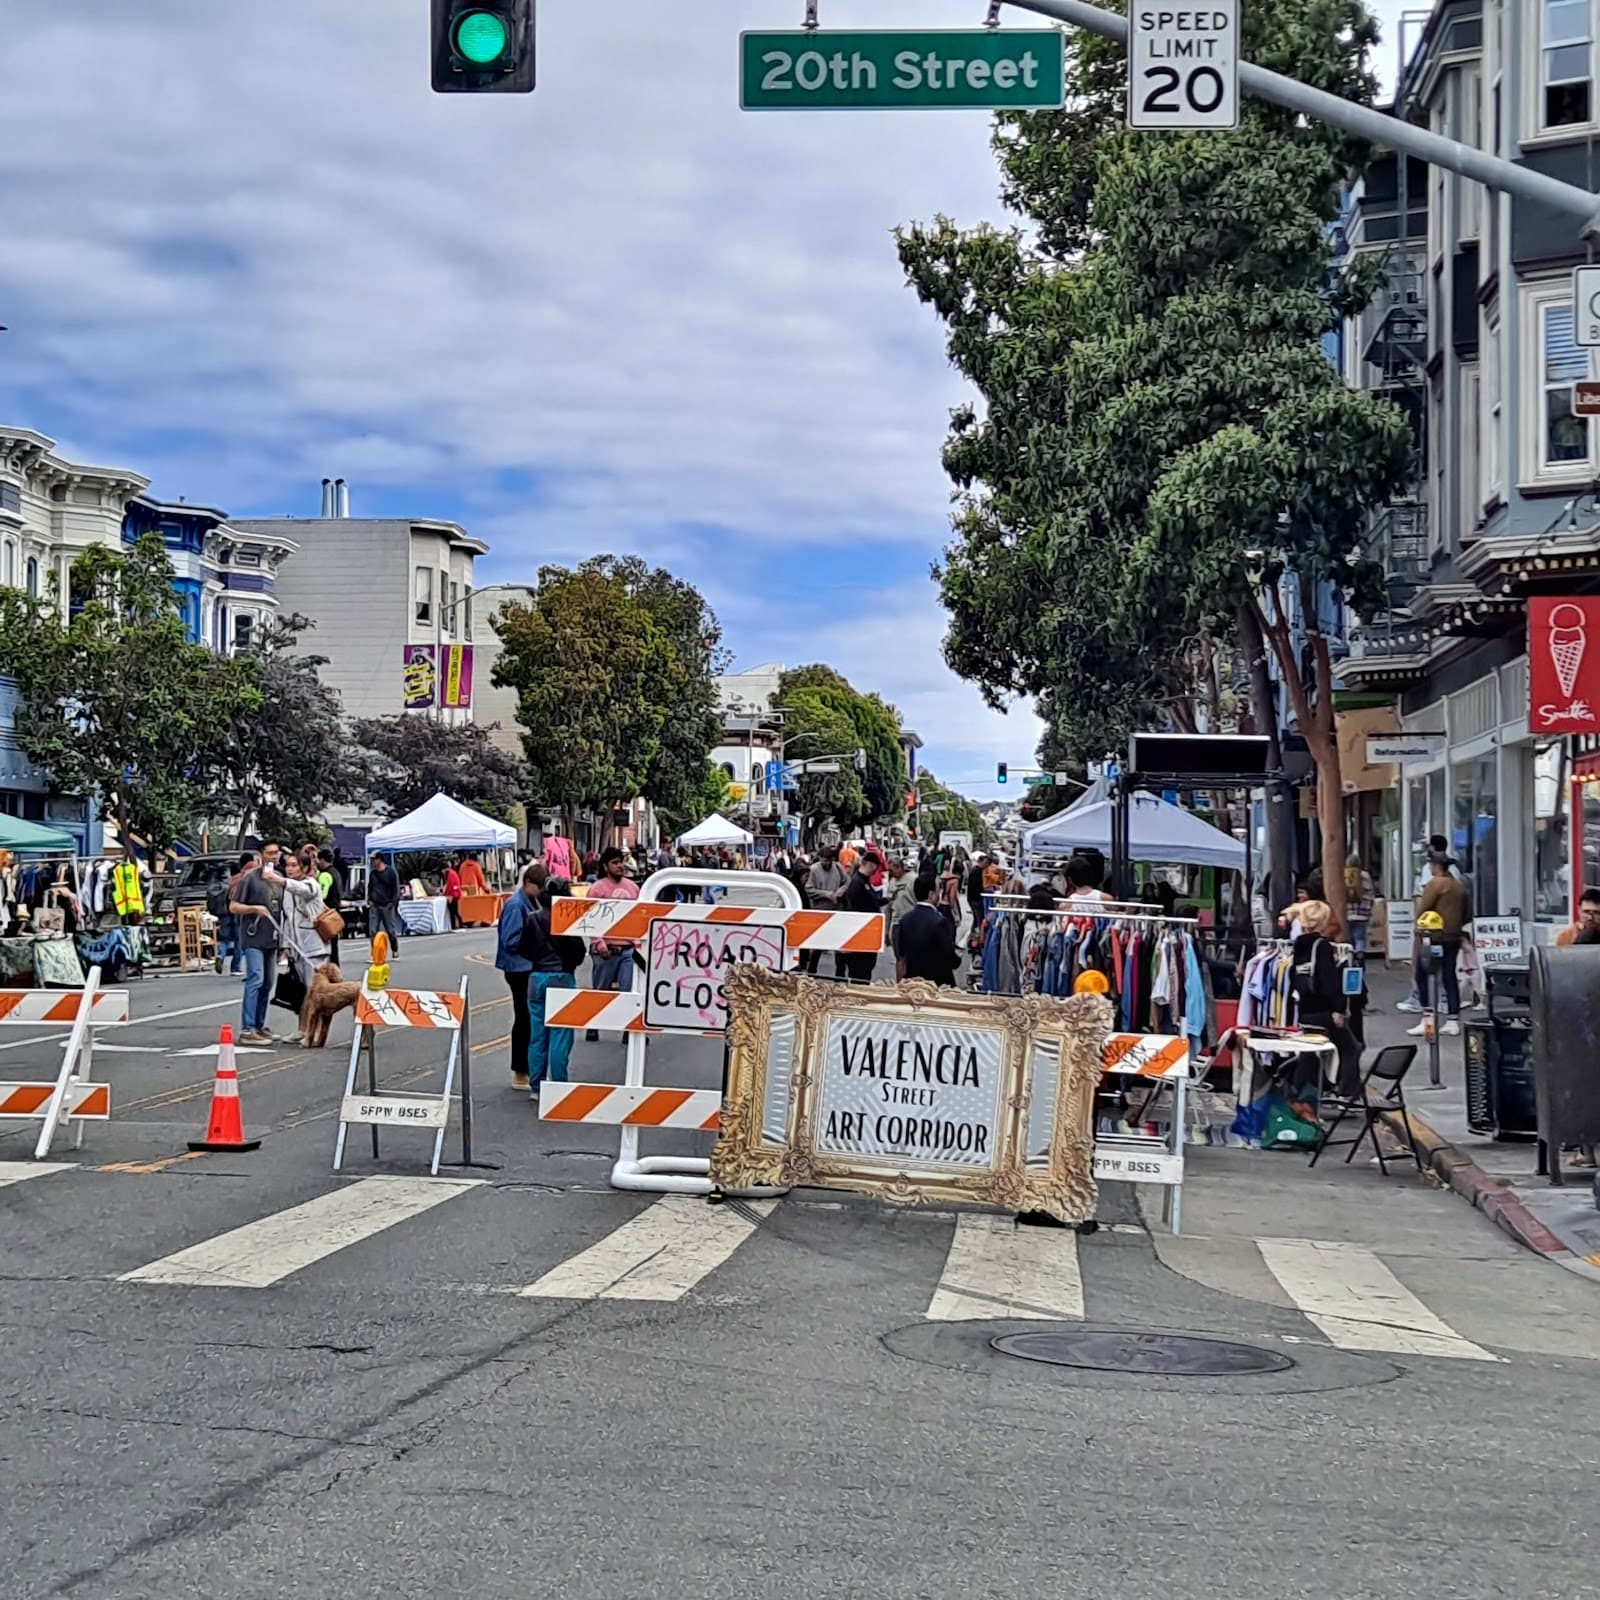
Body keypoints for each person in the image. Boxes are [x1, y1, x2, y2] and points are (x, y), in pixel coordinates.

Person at [519, 877, 587, 1092]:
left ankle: (536, 1086)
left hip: (536, 976)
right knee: (560, 1034)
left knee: (537, 1036)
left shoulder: (532, 919)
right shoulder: (567, 921)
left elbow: (523, 949)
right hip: (561, 976)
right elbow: (579, 953)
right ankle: (558, 1086)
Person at [1289, 899, 1361, 1097]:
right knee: (1351, 1049)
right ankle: (1347, 1094)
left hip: (1305, 1010)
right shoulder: (1322, 946)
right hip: (1323, 1011)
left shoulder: (1299, 947)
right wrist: (1338, 1009)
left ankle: (1299, 1093)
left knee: (1310, 1055)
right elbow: (1330, 983)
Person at [496, 862, 548, 1089]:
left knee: (529, 1017)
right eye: (538, 887)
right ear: (528, 883)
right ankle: (520, 1069)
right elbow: (510, 940)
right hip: (518, 968)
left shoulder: (530, 902)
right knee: (524, 1017)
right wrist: (534, 944)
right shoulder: (516, 905)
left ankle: (528, 1067)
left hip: (528, 966)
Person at [230, 840, 284, 1044]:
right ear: (261, 855)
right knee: (255, 979)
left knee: (268, 982)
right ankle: (247, 1028)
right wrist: (254, 909)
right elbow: (234, 906)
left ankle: (260, 1026)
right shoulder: (250, 878)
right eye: (270, 853)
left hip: (272, 938)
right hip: (253, 937)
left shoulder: (278, 878)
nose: (274, 856)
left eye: (276, 852)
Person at [585, 847, 641, 1038]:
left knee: (627, 991)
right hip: (605, 949)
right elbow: (590, 918)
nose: (620, 866)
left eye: (621, 862)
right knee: (601, 990)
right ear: (605, 866)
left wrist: (637, 943)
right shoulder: (597, 889)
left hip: (627, 949)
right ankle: (593, 1025)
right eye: (615, 863)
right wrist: (599, 943)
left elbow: (639, 917)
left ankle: (627, 1029)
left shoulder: (633, 888)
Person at [1409, 856, 1468, 1036]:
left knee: (1422, 974)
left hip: (1434, 935)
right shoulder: (1459, 886)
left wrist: (1418, 926)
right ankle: (1453, 1019)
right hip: (1453, 936)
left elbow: (1422, 909)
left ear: (1435, 867)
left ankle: (1427, 1018)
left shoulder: (1435, 885)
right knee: (1449, 976)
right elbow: (1468, 913)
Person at [277, 853, 331, 1045]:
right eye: (287, 865)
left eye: (294, 865)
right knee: (301, 991)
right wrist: (285, 945)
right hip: (296, 948)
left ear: (305, 868)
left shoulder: (310, 885)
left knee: (313, 991)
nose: (289, 869)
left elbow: (302, 889)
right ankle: (303, 1029)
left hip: (314, 947)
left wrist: (279, 880)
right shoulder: (288, 890)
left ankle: (311, 1030)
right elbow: (286, 918)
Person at [896, 872, 960, 988]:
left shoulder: (905, 920)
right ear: (931, 895)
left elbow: (901, 958)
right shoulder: (939, 921)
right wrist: (957, 960)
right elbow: (948, 956)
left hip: (913, 984)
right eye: (937, 891)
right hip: (937, 985)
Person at [801, 846, 847, 976]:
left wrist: (839, 892)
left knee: (839, 944)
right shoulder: (814, 870)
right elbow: (809, 889)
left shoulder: (837, 868)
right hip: (820, 910)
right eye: (823, 861)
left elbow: (846, 882)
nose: (825, 864)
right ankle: (812, 972)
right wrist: (826, 894)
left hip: (836, 909)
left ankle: (840, 975)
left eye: (827, 861)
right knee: (818, 944)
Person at [214, 850, 257, 977]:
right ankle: (235, 967)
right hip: (239, 913)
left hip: (226, 912)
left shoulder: (233, 879)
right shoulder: (248, 877)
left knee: (224, 937)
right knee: (239, 940)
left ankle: (220, 955)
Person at [841, 855, 882, 983]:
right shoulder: (857, 882)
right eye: (875, 866)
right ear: (870, 864)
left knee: (864, 971)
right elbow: (853, 907)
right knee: (859, 973)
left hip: (866, 934)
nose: (876, 870)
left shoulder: (864, 881)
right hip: (861, 935)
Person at [368, 851, 402, 958]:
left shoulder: (391, 872)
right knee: (373, 930)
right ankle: (375, 953)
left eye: (374, 860)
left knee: (390, 930)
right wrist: (370, 899)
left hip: (387, 904)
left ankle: (394, 949)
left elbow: (396, 888)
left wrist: (393, 902)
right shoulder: (373, 874)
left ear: (380, 860)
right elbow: (370, 887)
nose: (373, 862)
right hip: (375, 904)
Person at [884, 857, 919, 954]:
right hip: (897, 923)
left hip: (912, 923)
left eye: (891, 870)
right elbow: (888, 907)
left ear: (900, 867)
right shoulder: (892, 882)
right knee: (899, 956)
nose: (890, 874)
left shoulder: (914, 880)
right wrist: (886, 931)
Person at [1343, 852, 1374, 957]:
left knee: (1350, 940)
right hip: (1362, 914)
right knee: (1360, 938)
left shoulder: (1344, 876)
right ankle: (1360, 957)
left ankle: (1351, 960)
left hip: (1347, 913)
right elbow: (1370, 894)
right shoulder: (1365, 876)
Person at [965, 853, 988, 933]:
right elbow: (976, 886)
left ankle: (973, 937)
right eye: (985, 863)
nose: (986, 865)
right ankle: (976, 937)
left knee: (976, 919)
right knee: (979, 919)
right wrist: (982, 892)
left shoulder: (976, 870)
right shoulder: (977, 871)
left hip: (972, 898)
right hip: (975, 898)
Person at [442, 855, 463, 930]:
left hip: (453, 895)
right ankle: (458, 924)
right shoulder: (452, 873)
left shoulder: (450, 874)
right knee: (455, 911)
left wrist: (447, 894)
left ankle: (455, 925)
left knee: (453, 911)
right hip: (455, 894)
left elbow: (450, 885)